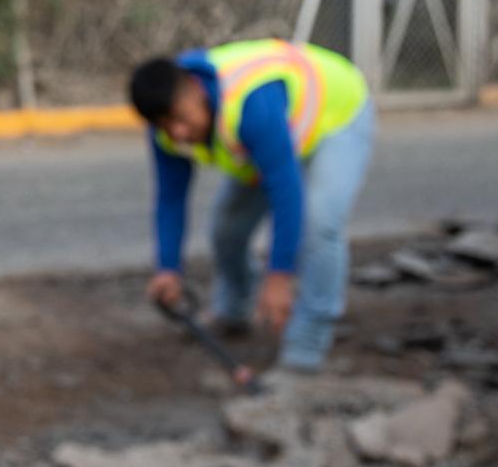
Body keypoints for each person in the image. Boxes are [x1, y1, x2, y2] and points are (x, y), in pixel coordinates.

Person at [128, 40, 375, 374]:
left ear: (194, 90)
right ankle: (234, 310)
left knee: (320, 225)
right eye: (164, 125)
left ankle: (307, 347)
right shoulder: (167, 126)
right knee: (227, 228)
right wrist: (168, 268)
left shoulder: (249, 103)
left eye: (181, 119)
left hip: (336, 112)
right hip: (270, 138)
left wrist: (279, 276)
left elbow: (286, 192)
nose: (178, 132)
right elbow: (170, 198)